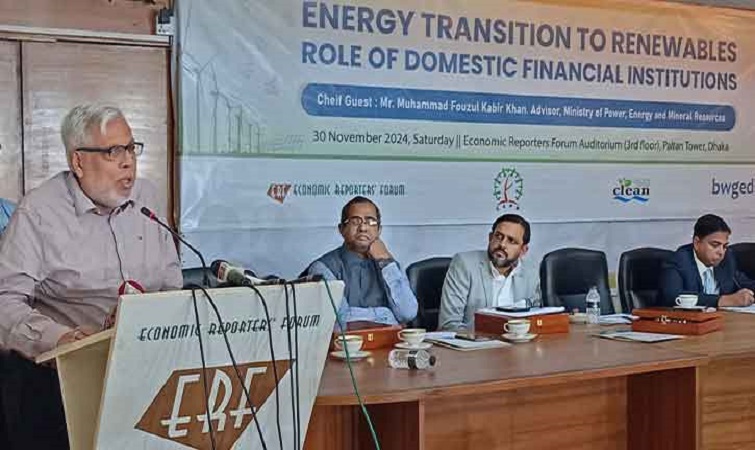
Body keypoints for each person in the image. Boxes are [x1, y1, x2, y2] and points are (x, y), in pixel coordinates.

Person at [0, 104, 183, 449]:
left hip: (145, 372)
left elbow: (172, 282)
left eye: (131, 148)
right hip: (62, 383)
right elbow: (4, 302)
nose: (128, 162)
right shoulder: (39, 213)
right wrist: (60, 339)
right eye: (113, 151)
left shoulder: (148, 198)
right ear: (79, 161)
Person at [307, 196, 417, 327]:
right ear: (341, 229)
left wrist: (386, 262)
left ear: (379, 230)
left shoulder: (390, 265)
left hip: (389, 340)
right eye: (355, 221)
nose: (363, 228)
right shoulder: (322, 267)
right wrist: (387, 315)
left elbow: (408, 313)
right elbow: (340, 321)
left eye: (370, 221)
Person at [438, 214, 540, 331]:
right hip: (473, 340)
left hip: (518, 341)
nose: (502, 244)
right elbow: (448, 324)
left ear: (523, 250)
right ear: (490, 237)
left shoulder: (530, 272)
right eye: (498, 236)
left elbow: (536, 318)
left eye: (511, 241)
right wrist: (484, 338)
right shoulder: (465, 264)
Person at [660, 214, 754, 308]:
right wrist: (723, 300)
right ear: (697, 243)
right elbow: (672, 295)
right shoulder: (678, 261)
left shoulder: (727, 258)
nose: (721, 252)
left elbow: (744, 282)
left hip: (721, 316)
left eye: (724, 246)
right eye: (715, 245)